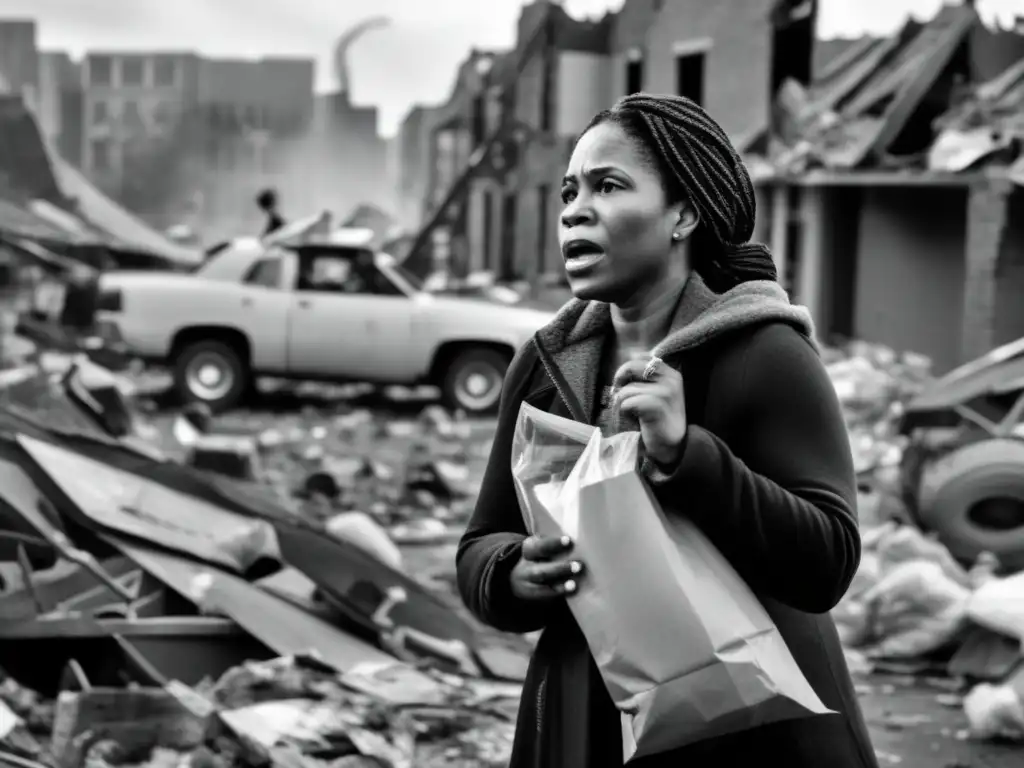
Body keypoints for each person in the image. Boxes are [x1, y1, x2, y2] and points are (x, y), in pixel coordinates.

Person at [455, 93, 878, 768]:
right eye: (570, 191)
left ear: (683, 213)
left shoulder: (764, 356)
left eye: (608, 185)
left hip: (751, 729)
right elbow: (482, 541)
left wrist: (690, 455)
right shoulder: (544, 364)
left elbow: (828, 561)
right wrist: (512, 574)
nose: (574, 209)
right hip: (583, 722)